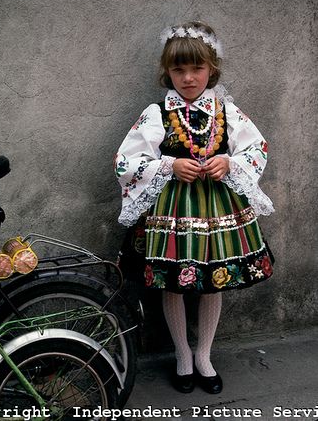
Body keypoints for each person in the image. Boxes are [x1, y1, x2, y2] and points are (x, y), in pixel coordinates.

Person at [114, 21, 275, 394]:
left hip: (218, 210)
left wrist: (230, 163)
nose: (188, 78)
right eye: (178, 70)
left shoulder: (227, 111)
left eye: (196, 69)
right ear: (167, 72)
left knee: (211, 280)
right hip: (173, 211)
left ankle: (204, 355)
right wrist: (168, 165)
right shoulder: (157, 114)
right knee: (174, 281)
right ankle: (182, 355)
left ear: (211, 69)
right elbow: (127, 159)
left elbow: (256, 148)